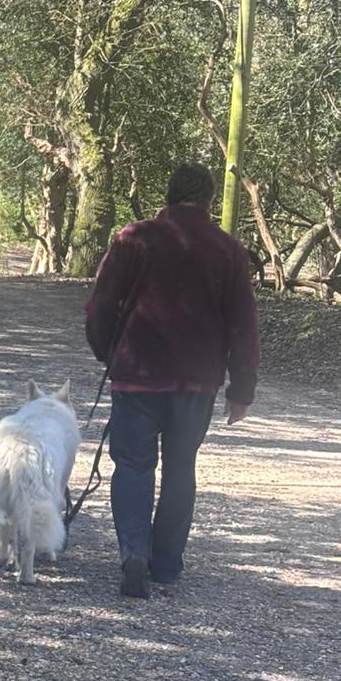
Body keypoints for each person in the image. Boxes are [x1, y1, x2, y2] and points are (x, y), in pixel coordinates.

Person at [84, 163, 259, 599]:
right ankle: (165, 564)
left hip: (137, 375)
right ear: (209, 200)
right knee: (181, 468)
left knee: (133, 465)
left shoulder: (134, 238)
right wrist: (241, 390)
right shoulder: (229, 250)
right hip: (197, 381)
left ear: (168, 194)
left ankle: (133, 553)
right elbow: (244, 325)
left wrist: (110, 353)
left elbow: (100, 305)